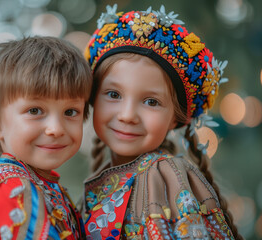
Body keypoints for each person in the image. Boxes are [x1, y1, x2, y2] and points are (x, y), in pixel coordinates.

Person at [82, 4, 242, 240]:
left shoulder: (165, 178)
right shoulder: (99, 183)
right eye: (114, 95)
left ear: (178, 118)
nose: (127, 115)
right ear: (93, 96)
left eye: (151, 102)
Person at [0, 36, 92, 240]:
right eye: (35, 110)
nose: (56, 129)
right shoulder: (16, 192)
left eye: (70, 112)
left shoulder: (41, 186)